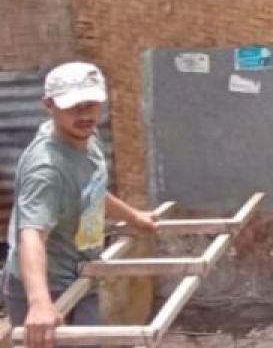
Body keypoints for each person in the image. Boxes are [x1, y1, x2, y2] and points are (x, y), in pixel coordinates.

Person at [2, 62, 158, 348]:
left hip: (81, 273)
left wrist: (134, 217)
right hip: (45, 286)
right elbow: (32, 235)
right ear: (49, 105)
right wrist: (39, 303)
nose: (85, 114)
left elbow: (90, 191)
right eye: (74, 106)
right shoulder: (47, 169)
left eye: (91, 104)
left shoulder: (88, 137)